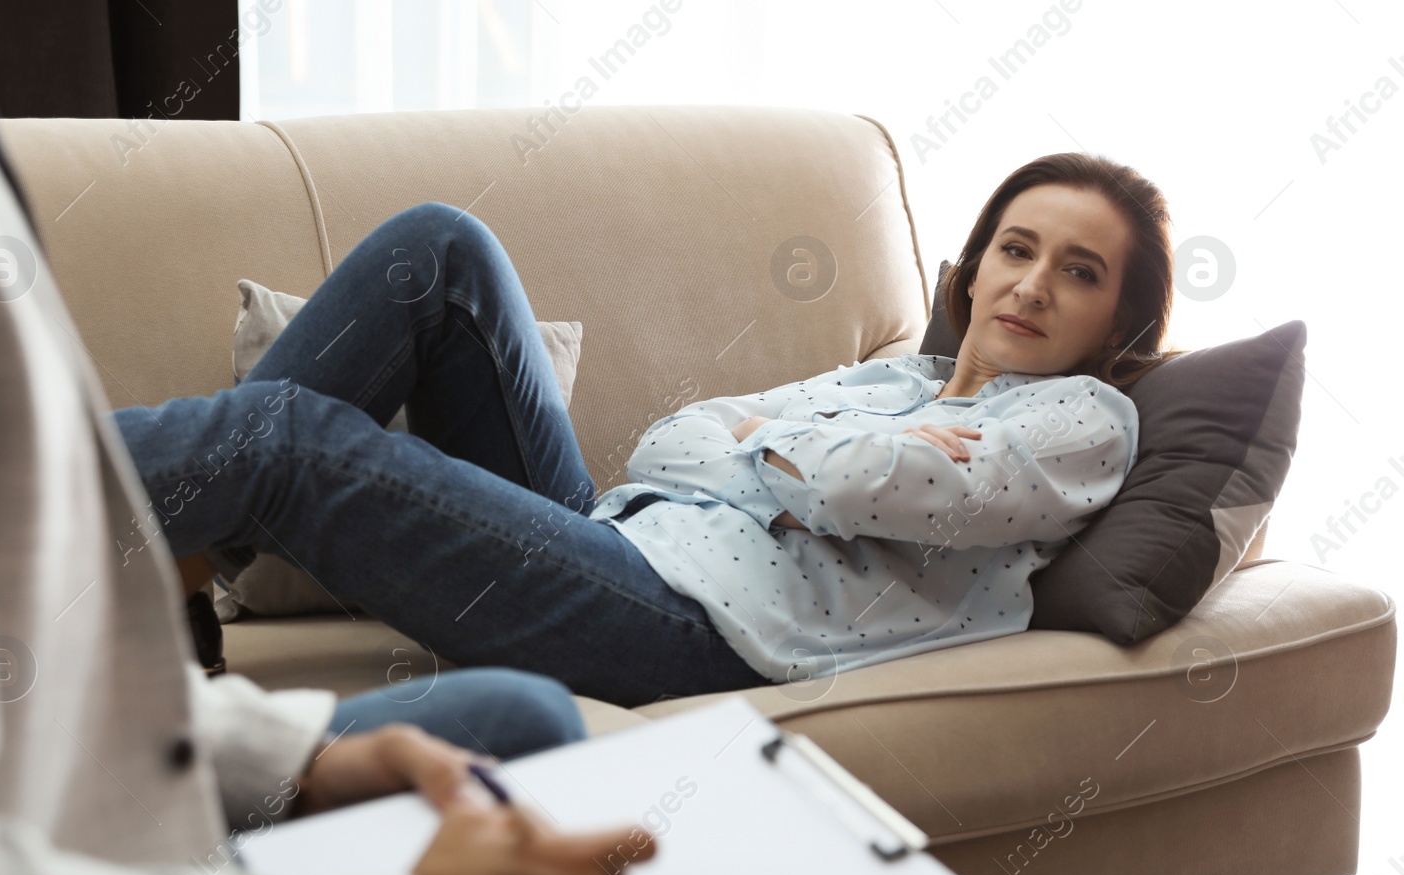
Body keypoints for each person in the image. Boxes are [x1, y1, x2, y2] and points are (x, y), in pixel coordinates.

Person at [0, 0, 660, 875]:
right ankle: (130, 535)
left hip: (686, 588)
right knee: (428, 257)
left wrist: (287, 754)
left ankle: (137, 539)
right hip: (638, 519)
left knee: (299, 455)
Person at [119, 154, 1177, 709]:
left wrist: (777, 442)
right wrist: (798, 453)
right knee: (438, 247)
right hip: (615, 536)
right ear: (972, 265)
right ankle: (164, 574)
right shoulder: (890, 373)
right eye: (1015, 248)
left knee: (288, 436)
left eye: (1077, 272)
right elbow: (671, 439)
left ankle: (3, 501)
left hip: (696, 631)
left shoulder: (1082, 419)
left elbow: (879, 492)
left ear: (1122, 324)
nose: (1031, 285)